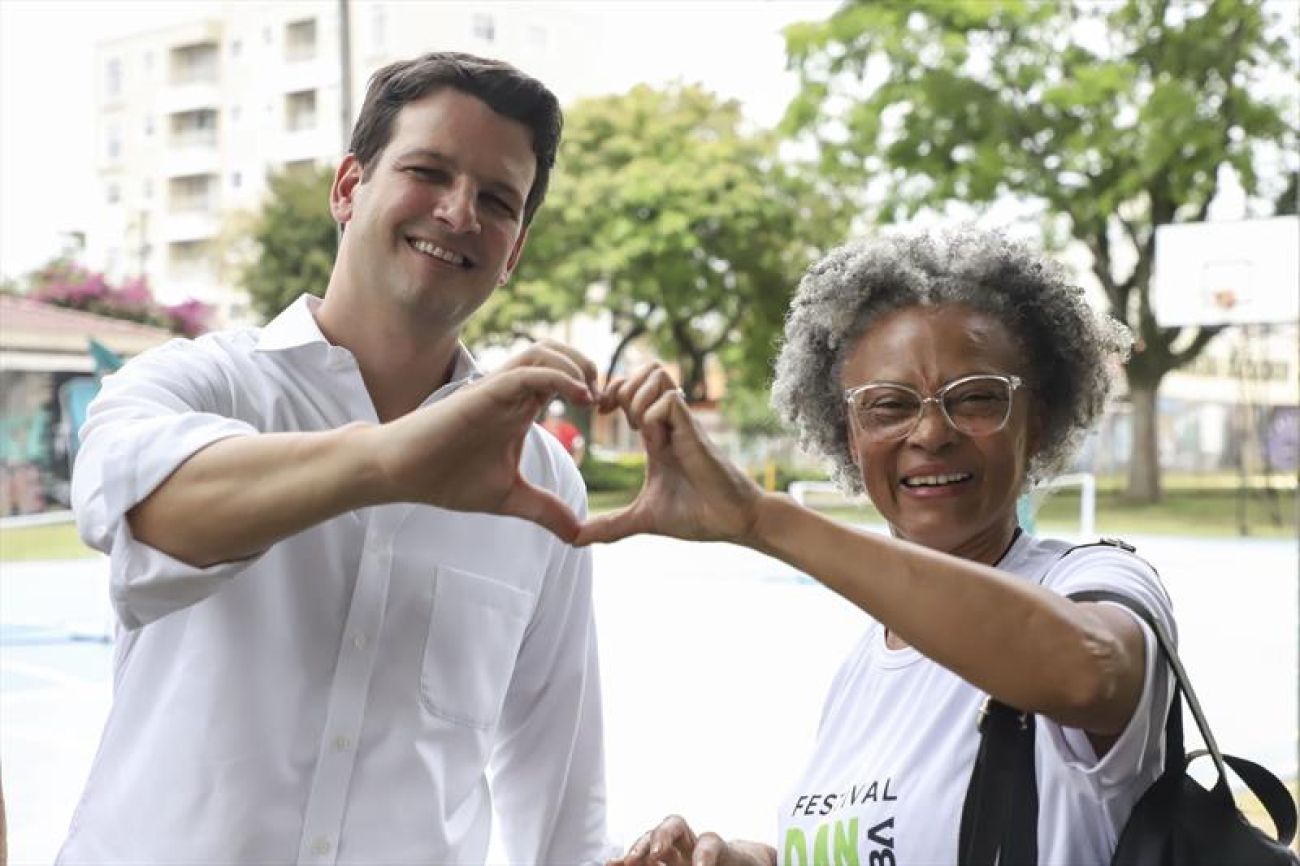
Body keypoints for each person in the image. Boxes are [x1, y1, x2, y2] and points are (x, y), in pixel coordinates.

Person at [62, 52, 617, 864]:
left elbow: (558, 779)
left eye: (496, 200)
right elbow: (148, 516)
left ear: (515, 250)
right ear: (349, 188)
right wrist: (393, 460)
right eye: (429, 171)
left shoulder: (541, 476)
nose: (460, 212)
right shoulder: (199, 382)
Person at [585, 227, 1175, 865]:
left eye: (976, 398)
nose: (930, 432)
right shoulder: (864, 668)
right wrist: (739, 860)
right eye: (889, 406)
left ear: (1039, 420)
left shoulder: (1092, 582)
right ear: (848, 435)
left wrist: (760, 520)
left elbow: (1088, 670)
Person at [542, 398, 588, 464]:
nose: (554, 419)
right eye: (552, 416)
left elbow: (580, 446)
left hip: (561, 465)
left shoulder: (569, 430)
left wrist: (574, 465)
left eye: (557, 417)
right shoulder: (541, 428)